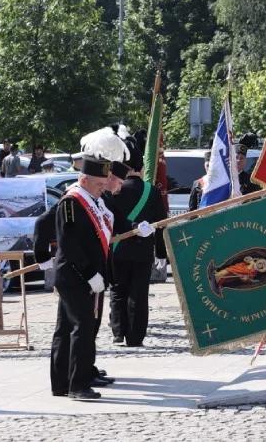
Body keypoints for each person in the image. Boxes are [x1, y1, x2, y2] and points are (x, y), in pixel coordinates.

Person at [50, 127, 128, 400]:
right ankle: (77, 385)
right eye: (98, 184)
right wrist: (90, 273)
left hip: (84, 276)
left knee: (68, 328)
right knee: (80, 328)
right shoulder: (72, 203)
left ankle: (62, 383)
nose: (101, 188)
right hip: (75, 275)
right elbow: (71, 245)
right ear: (84, 179)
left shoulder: (91, 200)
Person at [104, 130, 167, 347]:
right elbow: (161, 223)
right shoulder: (152, 191)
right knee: (139, 294)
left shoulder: (112, 191)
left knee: (118, 289)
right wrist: (161, 252)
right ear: (140, 168)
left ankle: (118, 332)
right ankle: (135, 336)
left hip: (117, 248)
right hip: (142, 250)